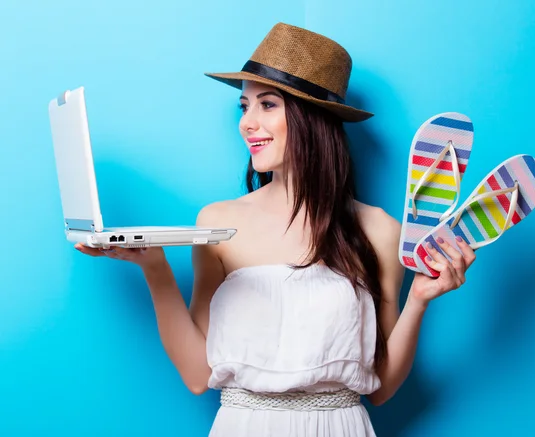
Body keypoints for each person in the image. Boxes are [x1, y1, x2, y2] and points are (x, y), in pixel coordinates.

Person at [75, 22, 475, 437]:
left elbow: (381, 386)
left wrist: (420, 300)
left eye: (267, 105)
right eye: (243, 107)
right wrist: (154, 268)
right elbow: (198, 374)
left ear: (311, 118)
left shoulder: (380, 230)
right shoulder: (216, 224)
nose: (247, 122)